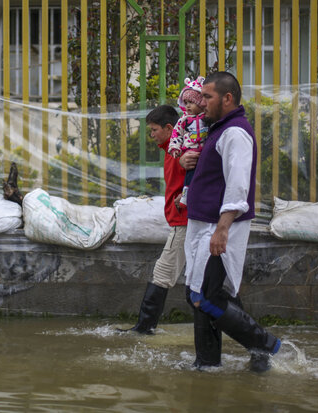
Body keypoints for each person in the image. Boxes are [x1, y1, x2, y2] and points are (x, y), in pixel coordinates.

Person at [184, 71, 281, 372]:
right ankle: (208, 363)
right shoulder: (219, 129)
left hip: (219, 227)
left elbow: (238, 187)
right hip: (205, 226)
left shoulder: (235, 132)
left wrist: (222, 229)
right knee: (201, 294)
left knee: (205, 297)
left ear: (227, 98)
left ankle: (264, 344)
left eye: (208, 97)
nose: (202, 103)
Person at [119, 105, 188, 334]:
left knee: (162, 273)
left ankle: (144, 328)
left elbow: (199, 175)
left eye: (155, 130)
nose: (152, 135)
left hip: (184, 221)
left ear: (170, 128)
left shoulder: (183, 151)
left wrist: (187, 196)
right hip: (181, 220)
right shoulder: (172, 150)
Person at [168, 76, 208, 207]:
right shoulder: (184, 120)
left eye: (191, 102)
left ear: (200, 102)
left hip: (204, 152)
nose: (188, 105)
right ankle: (186, 196)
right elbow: (176, 134)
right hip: (190, 152)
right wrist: (175, 147)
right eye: (185, 102)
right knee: (189, 177)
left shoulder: (207, 118)